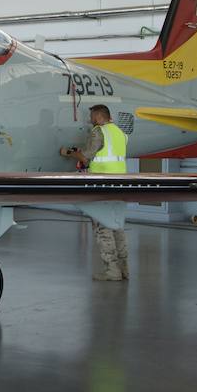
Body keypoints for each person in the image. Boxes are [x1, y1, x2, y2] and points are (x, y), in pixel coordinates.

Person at [60, 104, 130, 281]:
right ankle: (124, 269)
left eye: (92, 116)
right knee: (118, 227)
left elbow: (86, 157)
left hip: (102, 184)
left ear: (99, 117)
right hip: (120, 184)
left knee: (102, 227)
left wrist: (67, 153)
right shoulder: (120, 133)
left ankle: (112, 271)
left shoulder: (98, 131)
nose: (90, 120)